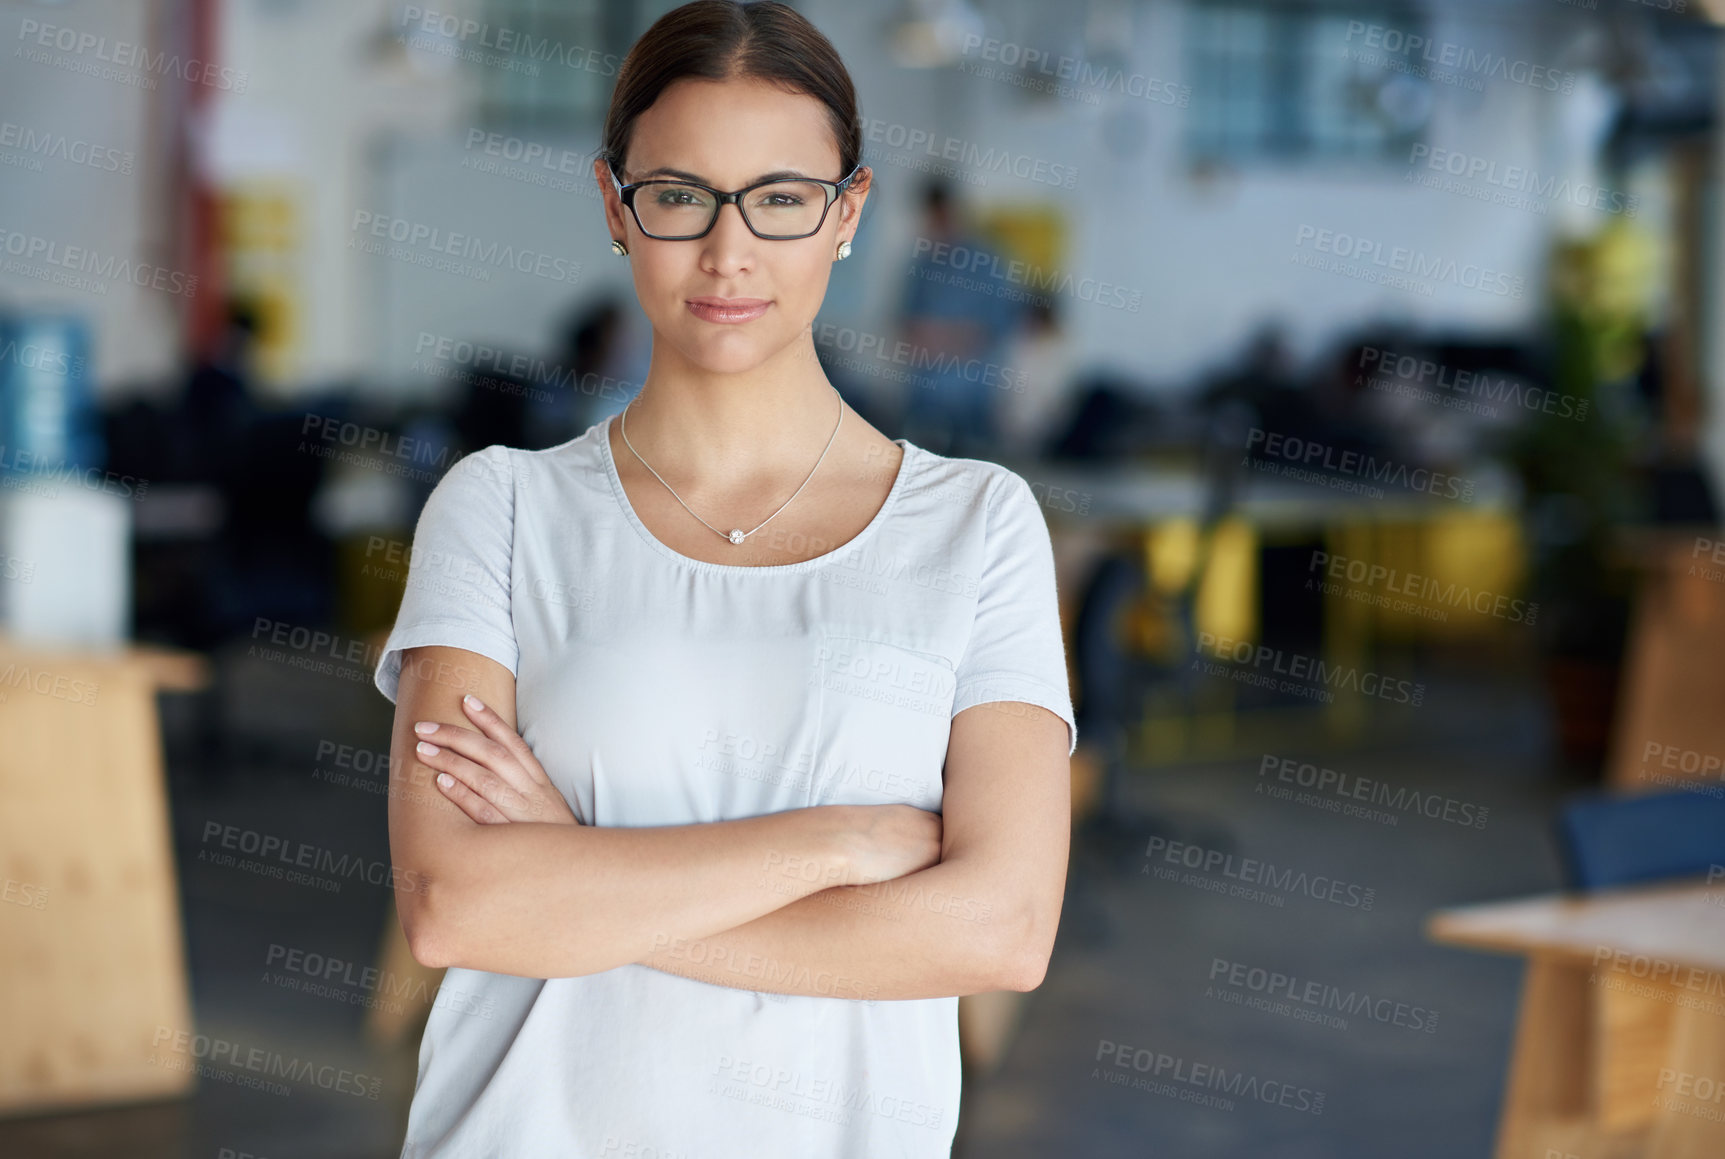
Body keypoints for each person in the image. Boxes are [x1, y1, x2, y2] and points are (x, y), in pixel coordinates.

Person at [372, 3, 1076, 1156]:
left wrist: (578, 881)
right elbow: (459, 905)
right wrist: (842, 844)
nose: (729, 250)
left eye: (783, 199)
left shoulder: (978, 526)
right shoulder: (501, 506)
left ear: (847, 214)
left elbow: (1001, 930)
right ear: (617, 206)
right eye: (681, 194)